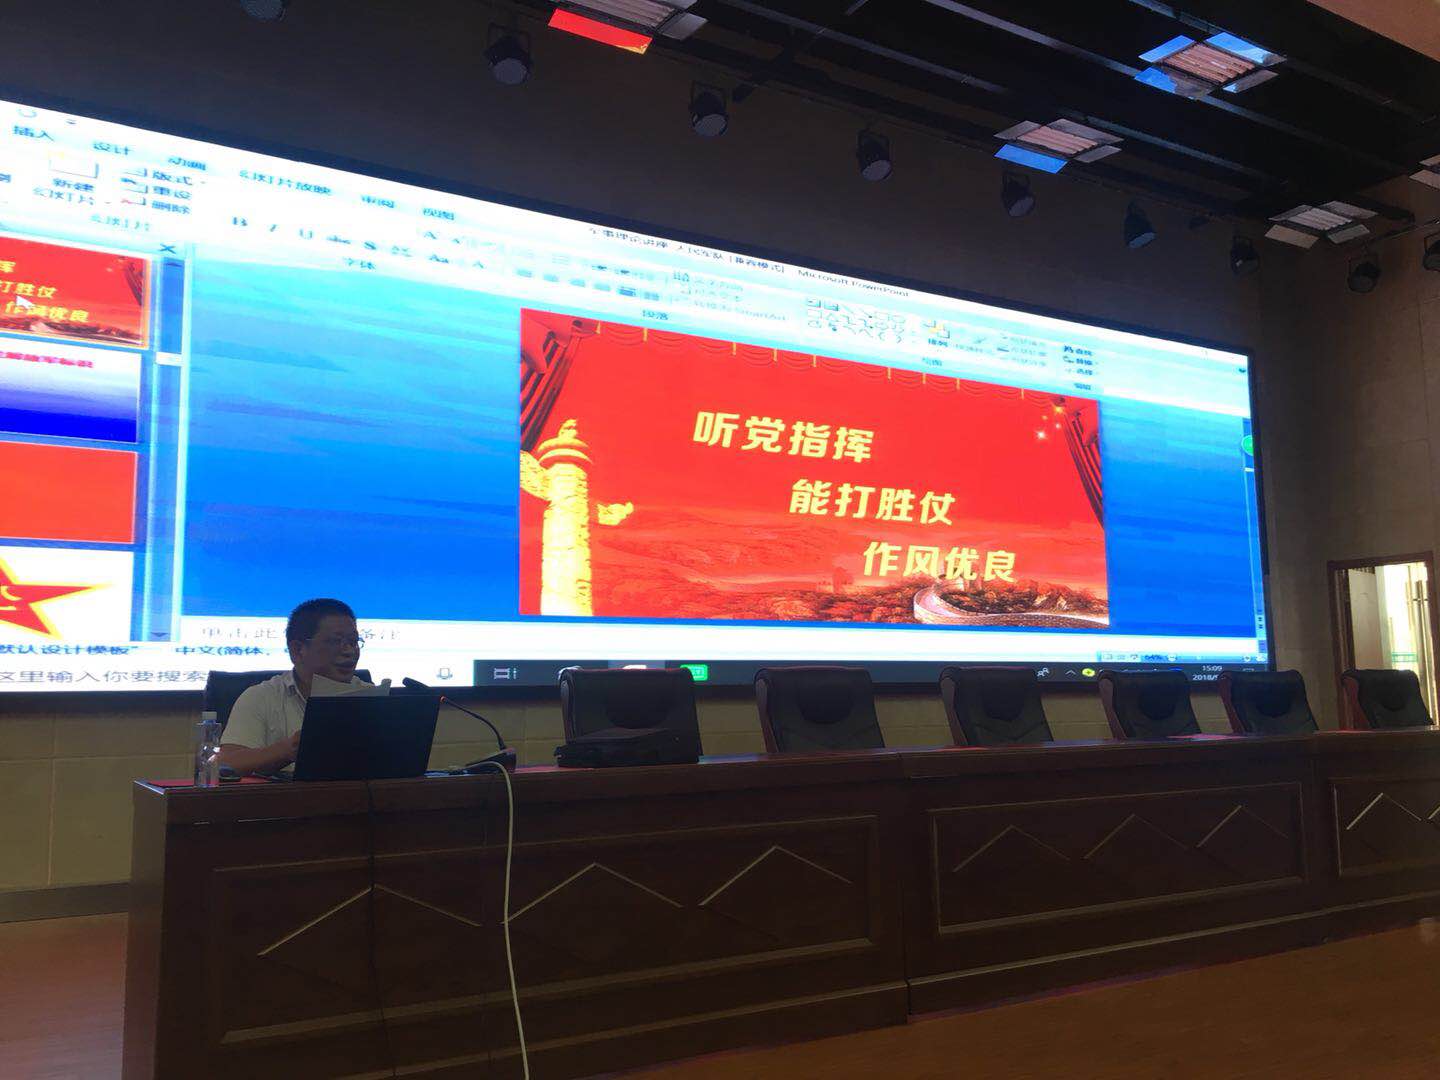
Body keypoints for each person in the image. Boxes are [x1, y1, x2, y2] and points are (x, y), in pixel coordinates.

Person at [217, 598, 367, 775]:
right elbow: (226, 764)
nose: (349, 651)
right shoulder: (261, 697)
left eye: (353, 641)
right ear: (297, 650)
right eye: (336, 641)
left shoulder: (369, 696)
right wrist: (289, 749)